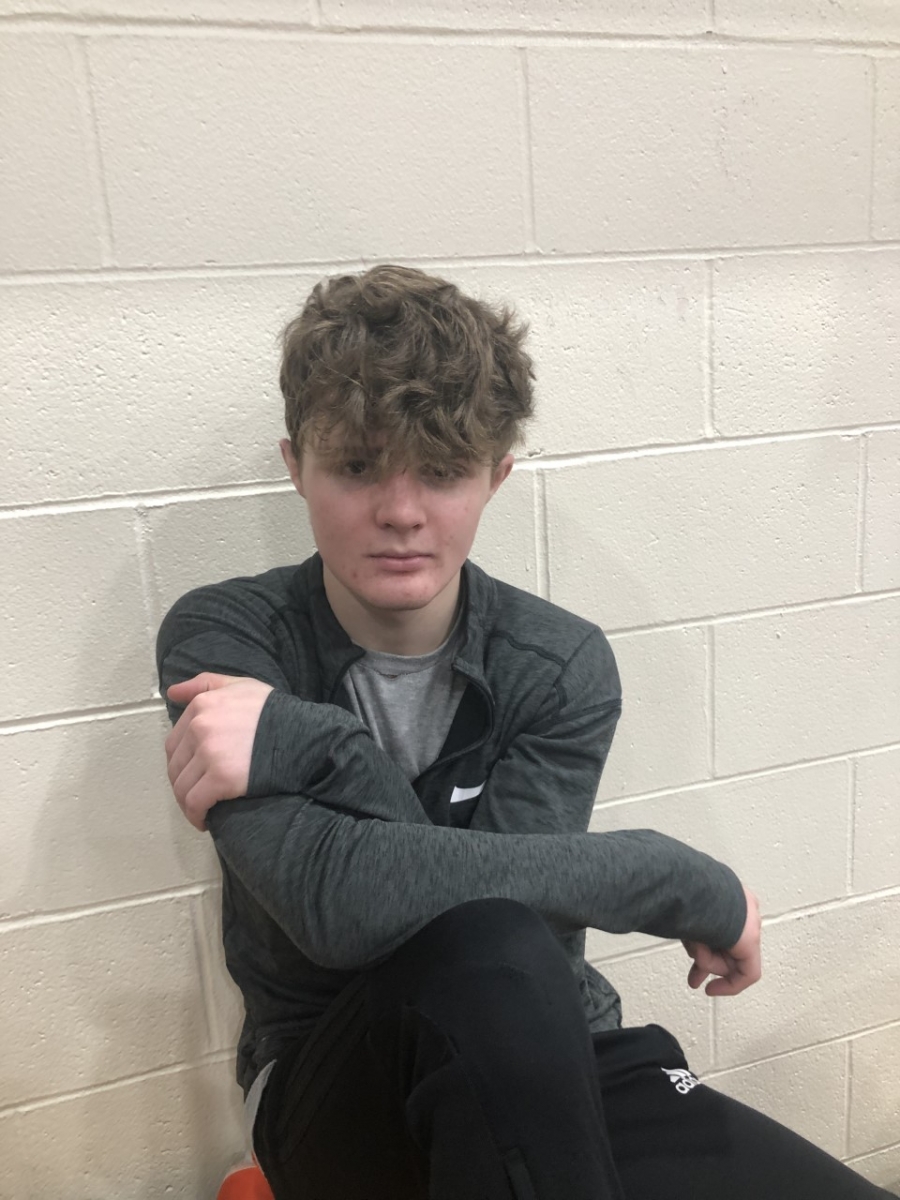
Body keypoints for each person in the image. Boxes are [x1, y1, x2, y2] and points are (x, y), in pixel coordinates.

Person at [157, 264, 891, 1200]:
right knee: (487, 948)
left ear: (496, 475)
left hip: (554, 1044)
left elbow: (512, 927)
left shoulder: (559, 662)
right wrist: (670, 879)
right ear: (295, 462)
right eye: (355, 466)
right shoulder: (226, 638)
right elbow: (337, 909)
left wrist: (306, 746)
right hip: (333, 1080)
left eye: (444, 469)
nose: (401, 511)